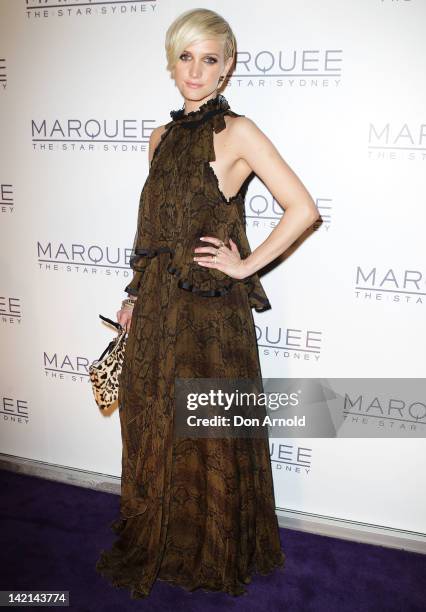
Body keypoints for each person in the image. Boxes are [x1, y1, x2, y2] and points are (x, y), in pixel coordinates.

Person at [95, 7, 319, 600]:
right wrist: (134, 297)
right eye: (185, 57)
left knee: (208, 429)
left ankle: (212, 546)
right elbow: (153, 232)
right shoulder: (160, 138)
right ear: (172, 63)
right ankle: (162, 539)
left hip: (211, 316)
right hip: (159, 309)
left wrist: (244, 264)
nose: (195, 70)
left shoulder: (239, 131)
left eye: (210, 59)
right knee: (155, 424)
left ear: (227, 68)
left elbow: (303, 208)